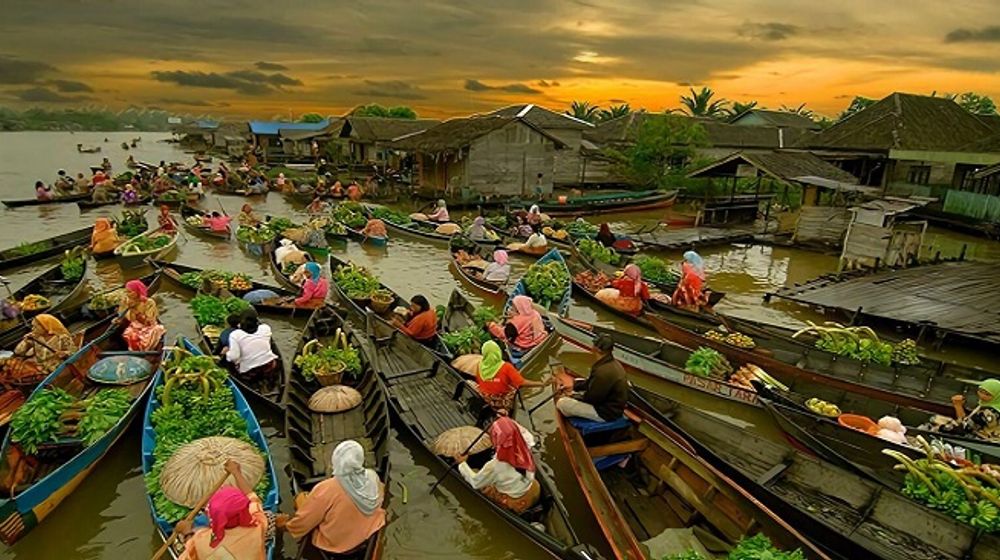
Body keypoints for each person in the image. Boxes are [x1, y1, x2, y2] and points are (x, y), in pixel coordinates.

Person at [278, 440, 386, 554]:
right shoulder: (372, 476)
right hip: (370, 531)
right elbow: (380, 496)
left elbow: (303, 523)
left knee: (301, 498)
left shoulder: (326, 489)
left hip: (336, 545)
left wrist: (285, 526)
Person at [176, 460, 268, 560]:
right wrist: (236, 472)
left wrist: (186, 533)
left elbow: (190, 550)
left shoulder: (201, 541)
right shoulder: (258, 525)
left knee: (196, 529)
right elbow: (251, 497)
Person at [455, 416, 540, 513]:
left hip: (510, 492)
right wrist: (504, 418)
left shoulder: (496, 466)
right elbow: (516, 429)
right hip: (524, 485)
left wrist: (462, 463)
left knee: (477, 477)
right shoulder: (526, 444)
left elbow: (475, 483)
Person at [556, 334, 628, 422]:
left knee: (562, 403)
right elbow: (590, 383)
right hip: (611, 405)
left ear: (596, 349)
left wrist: (573, 396)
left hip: (606, 413)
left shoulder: (602, 372)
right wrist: (574, 386)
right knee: (578, 381)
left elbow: (591, 399)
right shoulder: (612, 363)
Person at [473, 341, 544, 413]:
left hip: (486, 399)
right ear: (498, 351)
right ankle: (507, 411)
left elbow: (479, 381)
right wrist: (541, 383)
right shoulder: (506, 367)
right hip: (501, 401)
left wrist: (492, 381)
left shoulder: (480, 365)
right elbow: (521, 383)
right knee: (515, 390)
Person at [5, 315, 79, 379]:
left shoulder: (62, 337)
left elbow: (75, 352)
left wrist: (64, 353)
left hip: (54, 368)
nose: (32, 329)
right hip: (37, 366)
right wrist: (26, 341)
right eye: (32, 326)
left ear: (45, 327)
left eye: (35, 327)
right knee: (10, 367)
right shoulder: (36, 337)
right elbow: (18, 352)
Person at [225, 309, 279, 386]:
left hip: (250, 372)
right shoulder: (265, 328)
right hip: (269, 366)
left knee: (229, 360)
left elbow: (234, 357)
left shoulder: (235, 335)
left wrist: (227, 354)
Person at [936, 379, 1000, 438]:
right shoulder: (985, 406)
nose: (982, 396)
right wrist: (958, 406)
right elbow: (967, 422)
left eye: (987, 394)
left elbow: (965, 428)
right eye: (981, 391)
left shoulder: (990, 413)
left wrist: (941, 427)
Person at [119, 280, 166, 351]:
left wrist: (134, 310)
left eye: (130, 292)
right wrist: (118, 319)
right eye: (126, 292)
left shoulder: (149, 302)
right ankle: (135, 351)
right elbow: (123, 315)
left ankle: (146, 352)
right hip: (135, 325)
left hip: (148, 326)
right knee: (129, 333)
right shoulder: (126, 301)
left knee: (153, 333)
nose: (128, 294)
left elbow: (148, 322)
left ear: (137, 292)